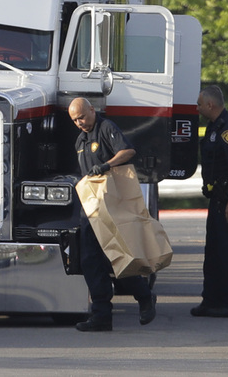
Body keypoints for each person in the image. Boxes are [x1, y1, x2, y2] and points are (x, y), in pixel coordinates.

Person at [68, 97, 157, 332]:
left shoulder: (106, 128)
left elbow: (128, 151)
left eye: (82, 117)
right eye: (75, 120)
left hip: (111, 206)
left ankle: (144, 295)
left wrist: (106, 165)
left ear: (91, 109)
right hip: (90, 210)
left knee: (116, 258)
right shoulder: (80, 140)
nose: (80, 122)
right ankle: (101, 316)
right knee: (91, 262)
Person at [192, 85, 228, 318]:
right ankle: (211, 300)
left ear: (210, 105)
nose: (196, 108)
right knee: (214, 253)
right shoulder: (214, 127)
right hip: (217, 200)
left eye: (199, 104)